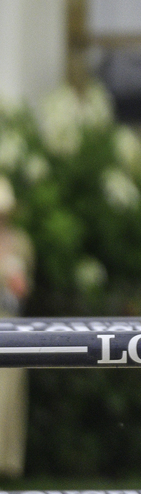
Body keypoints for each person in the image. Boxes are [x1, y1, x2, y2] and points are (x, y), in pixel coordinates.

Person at [0, 176, 33, 477]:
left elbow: (24, 289)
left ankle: (5, 467)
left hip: (11, 326)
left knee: (7, 399)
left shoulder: (20, 241)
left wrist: (16, 283)